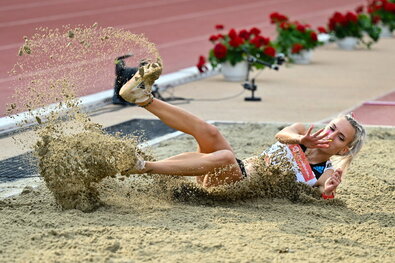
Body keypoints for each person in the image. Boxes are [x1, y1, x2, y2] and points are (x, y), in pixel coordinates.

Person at [119, 61, 366, 199]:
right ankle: (143, 99)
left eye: (339, 137)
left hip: (234, 187)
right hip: (229, 170)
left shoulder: (324, 170)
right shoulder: (301, 132)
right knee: (212, 133)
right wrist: (301, 139)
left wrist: (329, 191)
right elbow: (281, 135)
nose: (330, 134)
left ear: (343, 148)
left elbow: (325, 192)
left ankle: (144, 167)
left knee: (226, 157)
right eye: (332, 127)